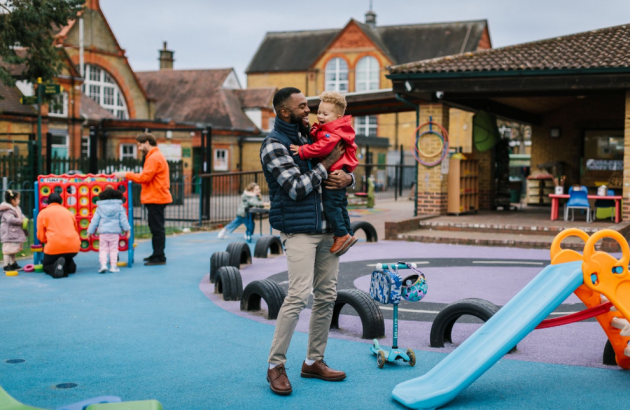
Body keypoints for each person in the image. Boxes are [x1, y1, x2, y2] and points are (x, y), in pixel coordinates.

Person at [261, 87, 354, 396]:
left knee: (327, 295)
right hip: (299, 231)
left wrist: (347, 178)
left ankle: (314, 360)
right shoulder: (274, 146)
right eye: (302, 107)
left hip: (328, 229)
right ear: (285, 112)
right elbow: (297, 188)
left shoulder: (313, 137)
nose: (309, 110)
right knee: (299, 295)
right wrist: (326, 166)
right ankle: (276, 365)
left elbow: (344, 163)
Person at [290, 91, 358, 254]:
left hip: (333, 173)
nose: (320, 116)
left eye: (325, 114)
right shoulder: (332, 129)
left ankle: (341, 235)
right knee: (340, 205)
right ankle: (347, 233)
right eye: (319, 112)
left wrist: (302, 150)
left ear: (338, 116)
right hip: (337, 171)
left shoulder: (332, 132)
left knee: (331, 205)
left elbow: (322, 148)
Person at [114, 133, 172, 266]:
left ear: (147, 142)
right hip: (156, 196)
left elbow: (145, 178)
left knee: (157, 229)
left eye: (140, 145)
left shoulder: (153, 157)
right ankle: (157, 254)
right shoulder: (155, 156)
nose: (139, 148)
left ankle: (159, 256)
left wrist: (126, 174)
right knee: (155, 227)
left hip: (155, 197)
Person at [37, 193, 81, 279]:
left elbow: (40, 235)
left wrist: (46, 241)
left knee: (46, 265)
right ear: (61, 202)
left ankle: (57, 267)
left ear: (48, 202)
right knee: (65, 255)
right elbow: (76, 230)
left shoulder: (43, 213)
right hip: (73, 248)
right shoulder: (68, 212)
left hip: (55, 246)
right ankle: (70, 266)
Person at [87, 188, 131, 274]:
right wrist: (127, 230)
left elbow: (95, 220)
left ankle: (103, 265)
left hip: (103, 232)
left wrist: (90, 231)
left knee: (103, 249)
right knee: (114, 249)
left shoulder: (100, 208)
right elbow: (123, 220)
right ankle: (113, 266)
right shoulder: (119, 207)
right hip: (114, 232)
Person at [0, 189, 28, 272]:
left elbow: (20, 214)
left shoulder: (16, 208)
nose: (19, 201)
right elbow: (10, 219)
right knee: (7, 249)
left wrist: (23, 218)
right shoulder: (7, 209)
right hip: (8, 233)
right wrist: (21, 221)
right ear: (12, 200)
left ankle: (13, 264)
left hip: (13, 233)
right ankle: (6, 265)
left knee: (13, 249)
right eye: (18, 199)